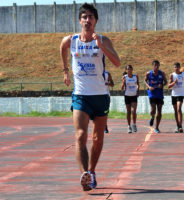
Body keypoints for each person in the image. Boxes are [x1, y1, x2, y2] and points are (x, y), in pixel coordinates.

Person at [60, 3, 120, 191]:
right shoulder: (71, 41)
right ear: (80, 21)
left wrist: (101, 46)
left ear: (96, 21)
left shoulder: (103, 40)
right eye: (84, 17)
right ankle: (84, 174)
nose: (87, 20)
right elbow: (62, 49)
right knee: (80, 135)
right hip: (81, 95)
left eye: (91, 17)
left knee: (97, 138)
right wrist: (65, 71)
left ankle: (92, 171)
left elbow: (117, 62)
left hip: (100, 95)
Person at [144, 60, 167, 133]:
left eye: (157, 65)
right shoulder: (148, 73)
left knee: (159, 110)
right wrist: (149, 87)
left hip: (159, 94)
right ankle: (152, 117)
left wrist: (162, 85)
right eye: (155, 65)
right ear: (152, 66)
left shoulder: (162, 73)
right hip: (152, 93)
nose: (156, 67)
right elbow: (144, 81)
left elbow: (165, 82)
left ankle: (156, 127)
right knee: (153, 109)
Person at [168, 62, 184, 133]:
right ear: (174, 68)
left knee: (179, 108)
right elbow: (169, 86)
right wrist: (174, 82)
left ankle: (180, 126)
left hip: (181, 94)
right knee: (176, 110)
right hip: (174, 94)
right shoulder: (172, 75)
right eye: (175, 67)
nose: (176, 68)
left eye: (177, 67)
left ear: (180, 67)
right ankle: (178, 126)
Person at [121, 65, 140, 133]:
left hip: (134, 95)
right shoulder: (125, 77)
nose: (129, 70)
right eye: (128, 69)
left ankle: (134, 124)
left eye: (130, 69)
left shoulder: (135, 76)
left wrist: (138, 91)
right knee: (128, 112)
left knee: (133, 110)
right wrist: (123, 83)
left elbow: (138, 84)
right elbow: (122, 88)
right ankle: (129, 126)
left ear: (132, 70)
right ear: (126, 70)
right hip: (127, 95)